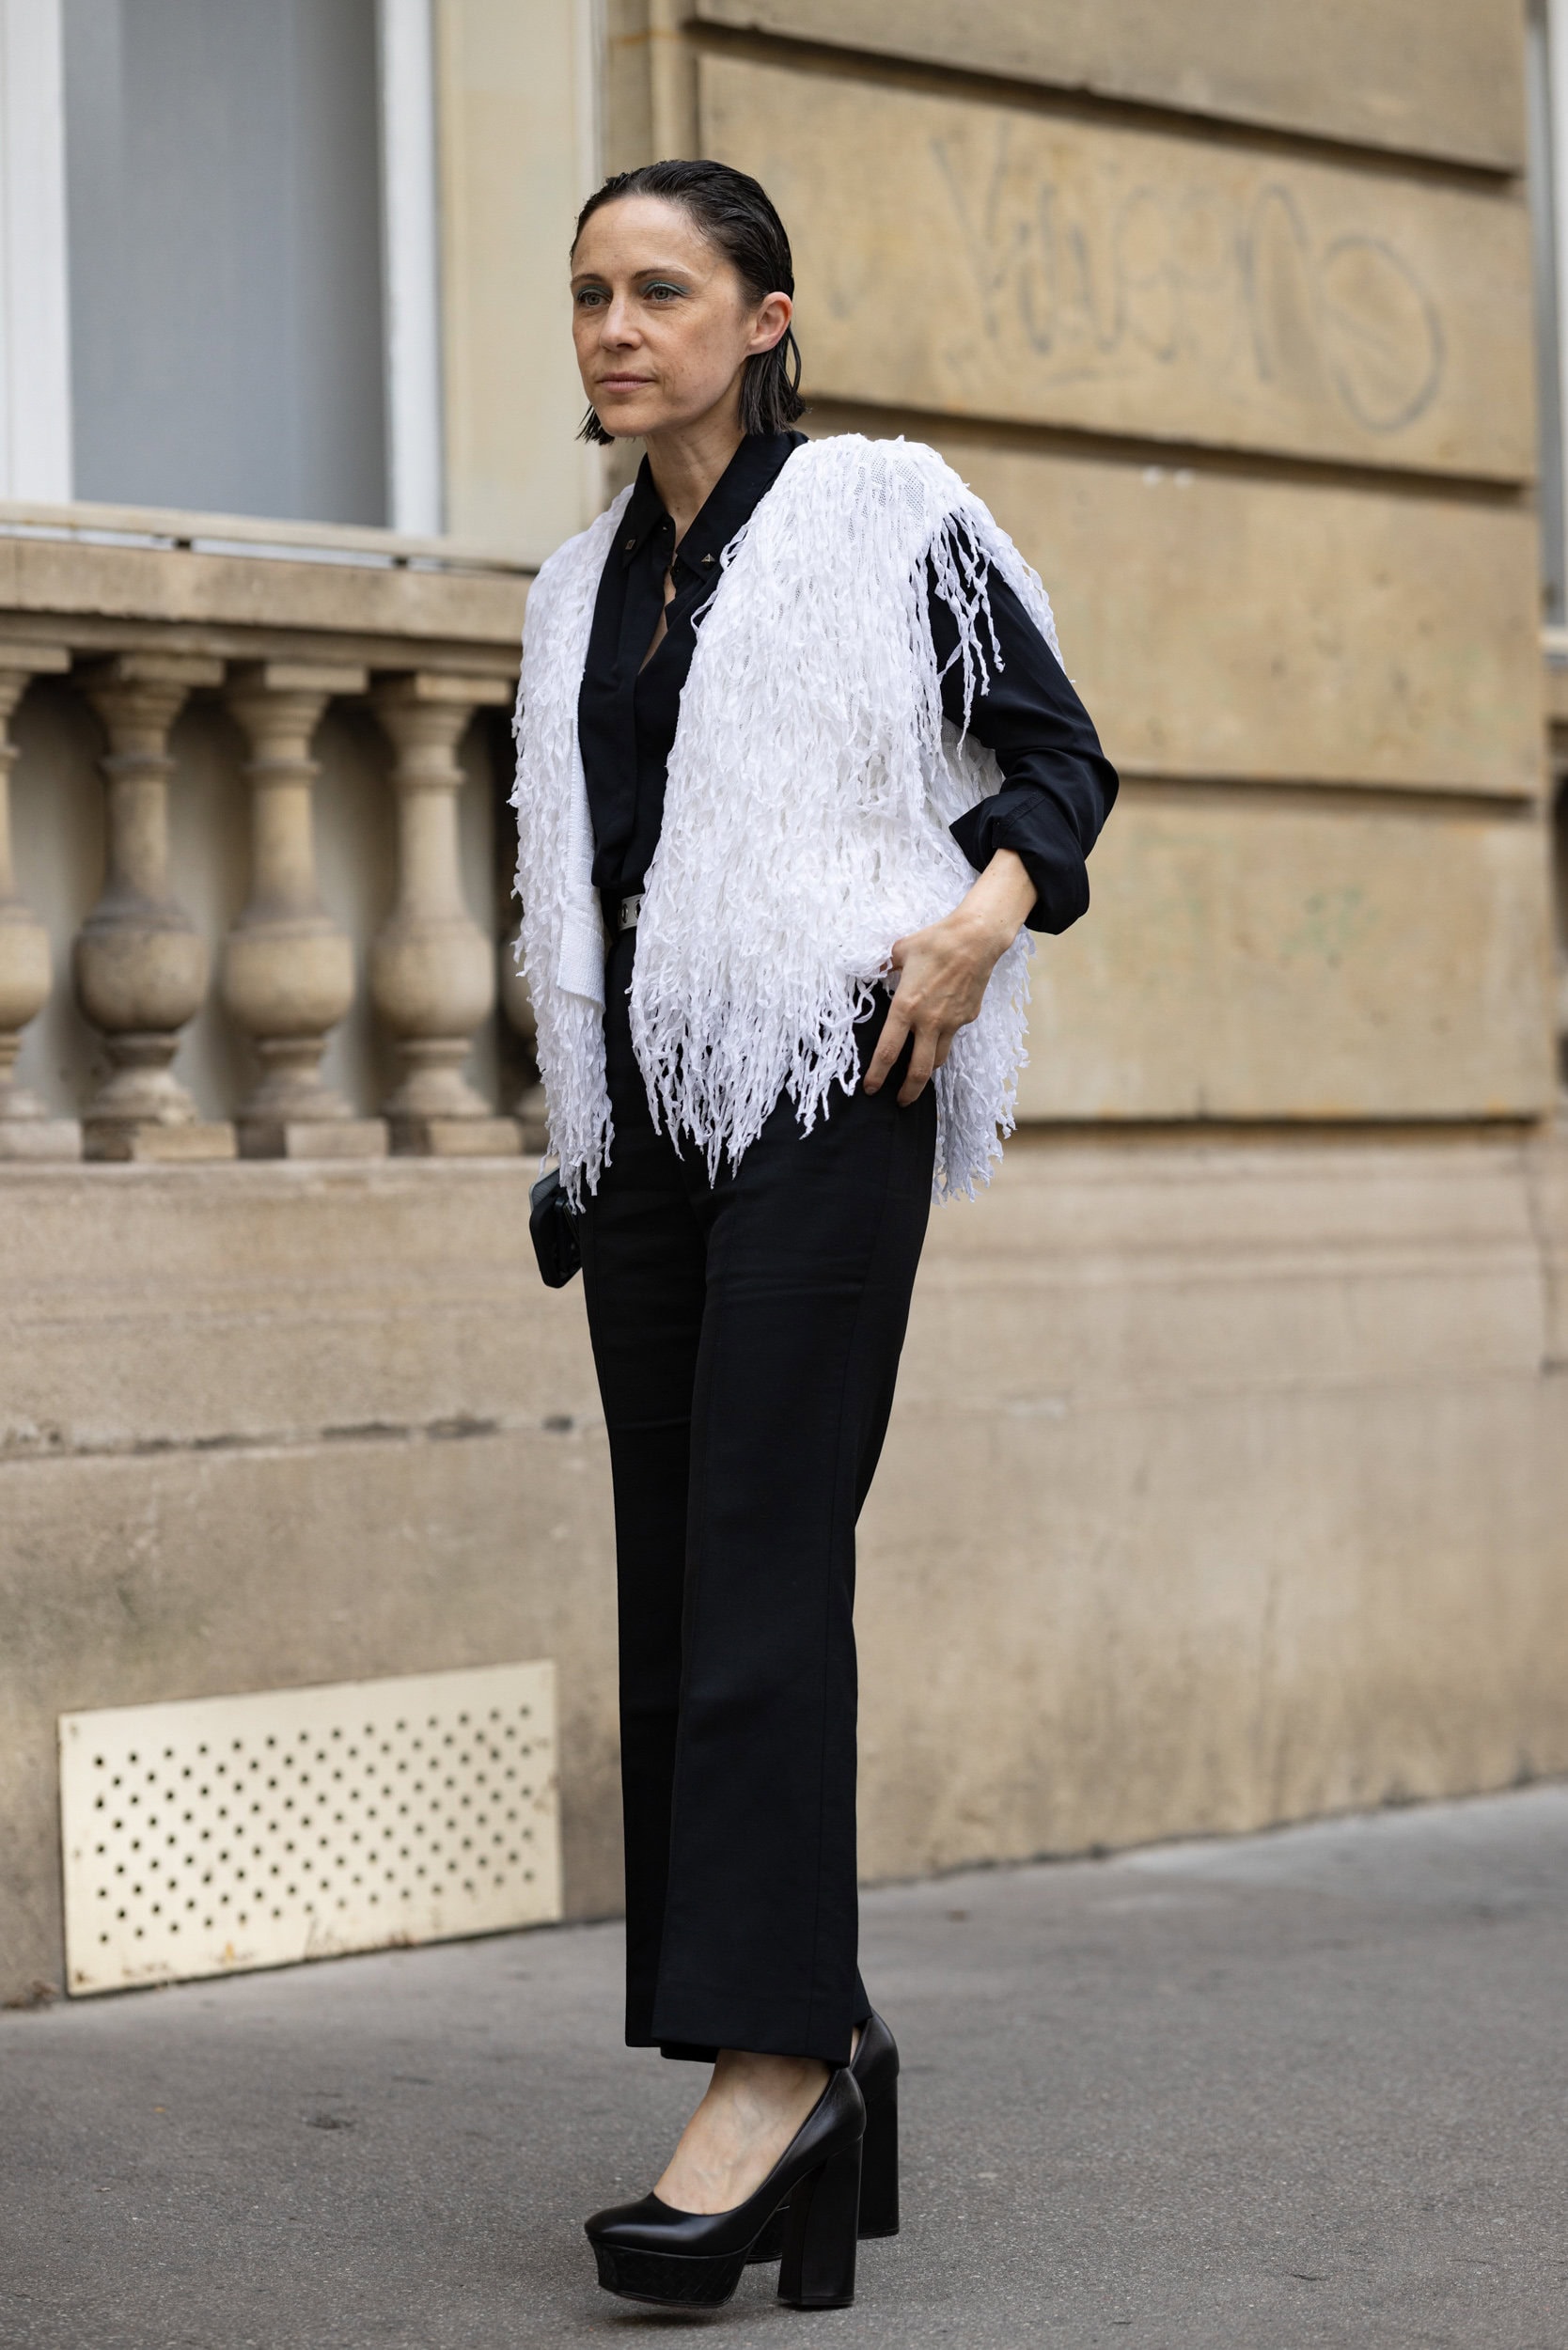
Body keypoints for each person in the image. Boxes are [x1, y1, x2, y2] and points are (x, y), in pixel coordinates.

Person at [511, 159, 1117, 2312]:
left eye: (661, 290)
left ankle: (768, 2074)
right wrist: (580, 1107)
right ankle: (826, 2038)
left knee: (766, 1559)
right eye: (592, 291)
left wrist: (971, 929)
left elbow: (1060, 760)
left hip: (831, 1079)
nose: (616, 328)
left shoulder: (881, 509)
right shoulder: (577, 586)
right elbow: (585, 864)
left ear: (765, 317)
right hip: (648, 1127)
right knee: (685, 1586)